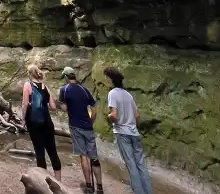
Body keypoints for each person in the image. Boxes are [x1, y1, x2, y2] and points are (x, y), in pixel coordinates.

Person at [105, 67, 152, 194]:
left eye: (107, 78)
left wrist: (108, 117)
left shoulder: (112, 93)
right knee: (141, 165)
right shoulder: (128, 95)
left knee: (131, 165)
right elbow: (137, 115)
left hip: (122, 132)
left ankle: (138, 191)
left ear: (110, 79)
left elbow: (114, 115)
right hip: (134, 132)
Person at [58, 66, 102, 194]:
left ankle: (89, 186)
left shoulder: (64, 89)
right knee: (94, 157)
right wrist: (90, 122)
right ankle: (99, 187)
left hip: (75, 126)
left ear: (66, 77)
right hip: (88, 127)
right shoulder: (85, 90)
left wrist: (60, 103)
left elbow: (64, 108)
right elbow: (94, 109)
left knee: (83, 156)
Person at [20, 64, 61, 181]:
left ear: (29, 74)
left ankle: (43, 181)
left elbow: (24, 104)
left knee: (39, 151)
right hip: (47, 122)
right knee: (52, 150)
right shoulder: (45, 87)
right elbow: (53, 107)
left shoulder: (27, 85)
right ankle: (59, 181)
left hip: (34, 122)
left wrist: (23, 119)